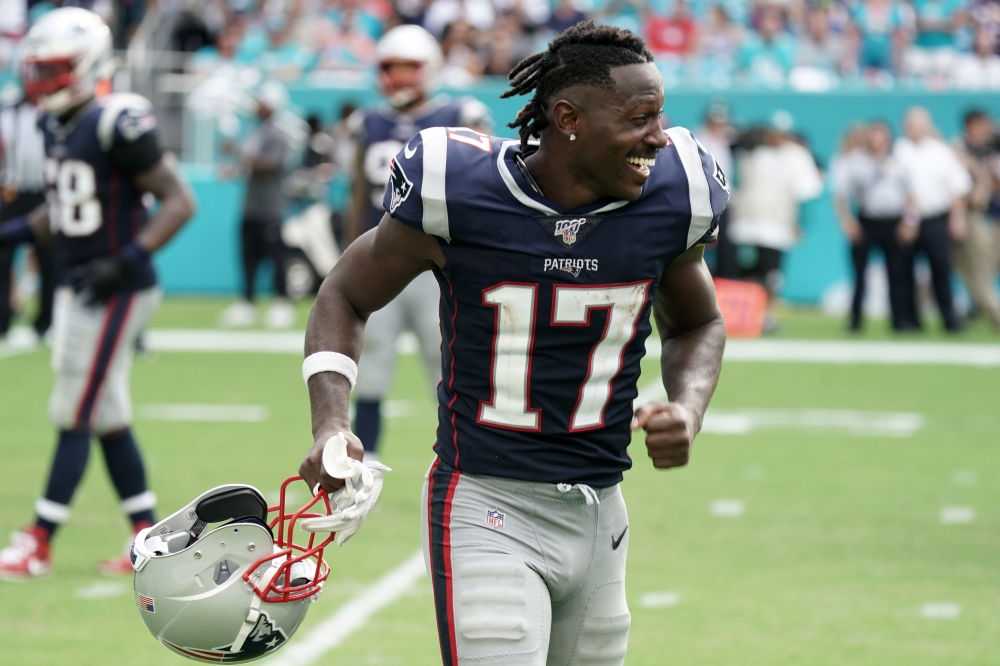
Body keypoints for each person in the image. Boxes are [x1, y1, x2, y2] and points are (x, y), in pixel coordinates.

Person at [298, 21, 727, 666]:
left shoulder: (672, 197)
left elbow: (698, 321)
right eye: (639, 118)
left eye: (660, 116)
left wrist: (687, 406)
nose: (658, 137)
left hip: (601, 507)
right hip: (484, 500)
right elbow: (345, 294)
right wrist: (332, 423)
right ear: (568, 118)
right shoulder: (460, 191)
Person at [0, 7, 195, 580]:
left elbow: (181, 201)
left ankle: (39, 540)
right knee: (106, 412)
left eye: (57, 69)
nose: (45, 81)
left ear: (88, 66)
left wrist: (126, 260)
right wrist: (9, 233)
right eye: (40, 69)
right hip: (83, 282)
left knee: (75, 408)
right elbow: (64, 209)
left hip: (118, 289)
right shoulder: (56, 124)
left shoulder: (118, 121)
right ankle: (150, 537)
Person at [345, 24, 492, 462]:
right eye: (390, 68)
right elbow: (357, 193)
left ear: (429, 69)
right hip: (381, 260)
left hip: (439, 266)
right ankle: (363, 464)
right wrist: (347, 252)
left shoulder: (461, 114)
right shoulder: (368, 122)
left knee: (445, 364)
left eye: (408, 68)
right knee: (369, 364)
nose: (398, 78)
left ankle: (460, 455)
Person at [728, 119, 823, 332]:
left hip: (776, 226)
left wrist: (801, 221)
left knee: (772, 275)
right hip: (746, 224)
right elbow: (734, 183)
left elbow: (807, 191)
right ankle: (746, 315)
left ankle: (767, 315)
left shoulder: (796, 156)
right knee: (747, 273)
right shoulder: (748, 154)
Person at [219, 81, 295, 329]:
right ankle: (247, 304)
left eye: (261, 102)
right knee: (248, 257)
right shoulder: (256, 131)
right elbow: (251, 165)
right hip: (251, 205)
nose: (256, 106)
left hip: (269, 207)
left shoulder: (278, 134)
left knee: (276, 257)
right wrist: (235, 168)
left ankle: (282, 303)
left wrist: (239, 153)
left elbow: (270, 166)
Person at [894, 106, 971, 332]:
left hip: (935, 218)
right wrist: (909, 219)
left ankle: (949, 319)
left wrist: (958, 218)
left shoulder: (941, 152)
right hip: (903, 221)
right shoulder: (897, 151)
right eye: (912, 124)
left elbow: (957, 187)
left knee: (941, 269)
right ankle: (907, 321)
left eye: (920, 125)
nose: (916, 129)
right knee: (904, 272)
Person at [832, 121, 914, 331]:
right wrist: (848, 222)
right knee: (859, 275)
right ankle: (855, 321)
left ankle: (900, 321)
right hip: (867, 220)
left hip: (894, 221)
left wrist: (909, 222)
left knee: (898, 274)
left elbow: (911, 195)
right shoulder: (856, 162)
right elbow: (841, 195)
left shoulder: (900, 161)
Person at [0, 91, 55, 343]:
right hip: (12, 192)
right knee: (3, 255)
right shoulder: (6, 110)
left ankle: (45, 322)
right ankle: (2, 319)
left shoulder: (53, 111)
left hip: (43, 194)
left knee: (49, 261)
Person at [952, 110, 1000, 331]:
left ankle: (977, 309)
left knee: (981, 271)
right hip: (966, 214)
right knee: (970, 271)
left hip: (985, 215)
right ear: (972, 125)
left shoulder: (989, 150)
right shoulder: (958, 149)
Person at [694, 99, 737, 279]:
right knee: (699, 246)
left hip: (724, 201)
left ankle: (722, 285)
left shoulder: (729, 140)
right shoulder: (697, 138)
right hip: (703, 200)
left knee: (725, 248)